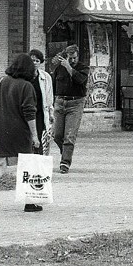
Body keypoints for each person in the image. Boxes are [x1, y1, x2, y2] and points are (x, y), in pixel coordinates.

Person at [0, 53, 40, 215]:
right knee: (26, 165)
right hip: (20, 132)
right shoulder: (27, 87)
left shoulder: (0, 81)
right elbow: (29, 113)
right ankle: (29, 202)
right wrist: (35, 135)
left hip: (1, 131)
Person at [51, 44, 90, 174]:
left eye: (75, 58)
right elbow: (53, 85)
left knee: (69, 135)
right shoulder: (59, 68)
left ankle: (65, 163)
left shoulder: (83, 68)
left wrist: (69, 68)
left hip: (76, 103)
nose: (73, 61)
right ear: (66, 57)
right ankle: (66, 151)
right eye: (70, 58)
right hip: (60, 101)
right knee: (57, 135)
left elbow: (80, 80)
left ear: (78, 56)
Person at [29, 49, 54, 155]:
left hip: (40, 112)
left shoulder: (45, 77)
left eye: (37, 61)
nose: (34, 63)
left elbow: (49, 97)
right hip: (27, 113)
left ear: (40, 62)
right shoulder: (24, 77)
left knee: (39, 138)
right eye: (32, 60)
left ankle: (37, 165)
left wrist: (51, 113)